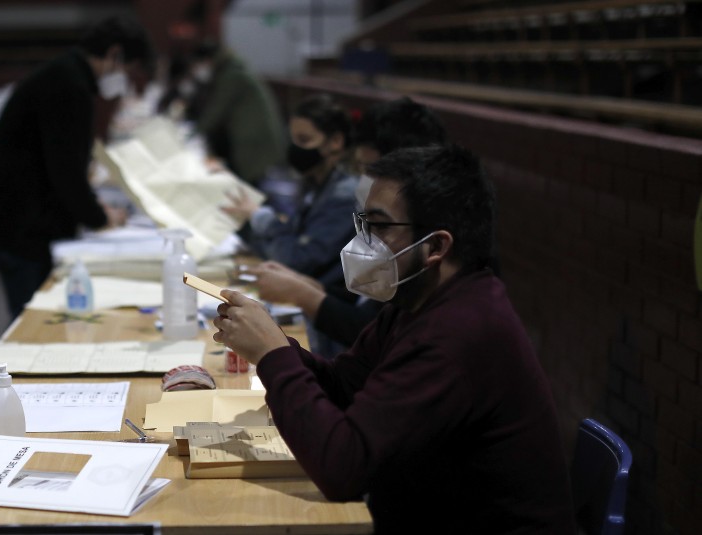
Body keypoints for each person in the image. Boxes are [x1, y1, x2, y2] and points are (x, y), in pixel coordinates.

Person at [212, 145, 575, 534]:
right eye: (363, 223)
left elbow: (343, 470)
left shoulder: (460, 331)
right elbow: (346, 386)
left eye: (380, 227)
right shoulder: (418, 300)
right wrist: (275, 343)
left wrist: (272, 356)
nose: (364, 242)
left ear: (436, 246)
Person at [0, 16, 152, 318]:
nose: (125, 79)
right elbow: (65, 172)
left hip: (15, 222)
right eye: (128, 69)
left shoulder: (65, 75)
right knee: (32, 324)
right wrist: (98, 217)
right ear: (114, 54)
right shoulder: (69, 86)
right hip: (21, 230)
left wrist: (94, 209)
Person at [250, 97, 448, 348]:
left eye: (371, 169)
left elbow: (372, 334)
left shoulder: (416, 237)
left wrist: (304, 295)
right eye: (362, 169)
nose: (363, 181)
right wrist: (311, 286)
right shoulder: (393, 220)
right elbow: (366, 299)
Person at [223, 93, 359, 287]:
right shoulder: (315, 180)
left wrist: (259, 217)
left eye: (304, 140)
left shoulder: (344, 195)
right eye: (293, 140)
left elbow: (296, 260)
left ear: (336, 141)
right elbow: (289, 238)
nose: (296, 149)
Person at [187, 41, 286, 185]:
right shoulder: (231, 69)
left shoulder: (232, 75)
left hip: (255, 137)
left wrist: (192, 134)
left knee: (255, 183)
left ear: (208, 60)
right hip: (253, 133)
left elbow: (217, 109)